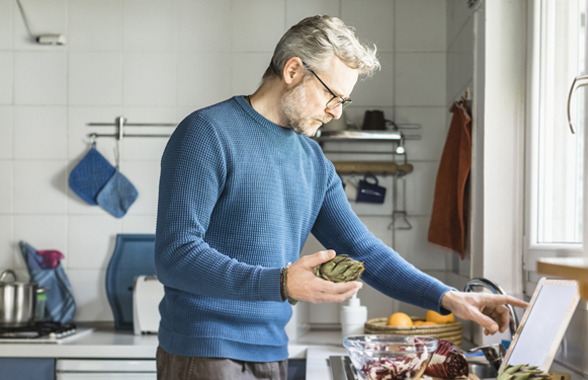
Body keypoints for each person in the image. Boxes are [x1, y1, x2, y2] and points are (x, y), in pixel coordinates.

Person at [154, 14, 529, 380]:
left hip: (272, 353)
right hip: (203, 351)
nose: (335, 112)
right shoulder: (206, 133)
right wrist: (280, 282)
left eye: (343, 101)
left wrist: (449, 298)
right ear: (293, 71)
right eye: (332, 95)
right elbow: (176, 254)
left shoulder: (313, 162)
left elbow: (362, 249)